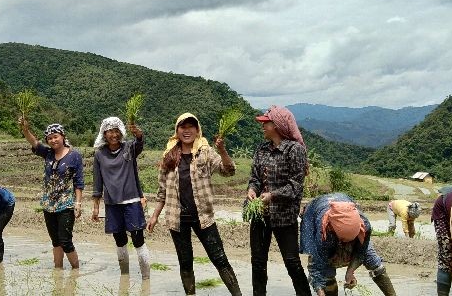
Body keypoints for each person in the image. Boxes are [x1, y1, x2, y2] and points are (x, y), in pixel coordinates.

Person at [147, 113, 242, 295]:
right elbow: (162, 191)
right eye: (183, 127)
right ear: (177, 131)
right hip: (177, 219)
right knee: (185, 262)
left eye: (191, 126)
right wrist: (154, 216)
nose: (187, 130)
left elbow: (228, 171)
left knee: (220, 259)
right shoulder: (169, 155)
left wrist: (222, 150)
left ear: (197, 130)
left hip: (203, 217)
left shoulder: (205, 152)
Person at [247, 105, 312, 296]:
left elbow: (295, 186)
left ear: (276, 125)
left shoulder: (295, 150)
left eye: (265, 123)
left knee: (292, 262)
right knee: (258, 263)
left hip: (284, 218)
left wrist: (272, 195)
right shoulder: (262, 149)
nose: (263, 126)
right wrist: (252, 189)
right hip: (260, 216)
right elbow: (255, 178)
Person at [301, 193, 396, 296]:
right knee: (326, 271)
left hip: (344, 210)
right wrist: (320, 290)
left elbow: (361, 251)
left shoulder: (365, 225)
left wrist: (350, 272)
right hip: (314, 213)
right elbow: (318, 266)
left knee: (371, 258)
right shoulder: (323, 231)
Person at [91, 116, 151, 279]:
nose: (113, 134)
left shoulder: (129, 148)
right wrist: (96, 207)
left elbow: (139, 144)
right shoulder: (99, 154)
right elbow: (97, 182)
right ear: (104, 134)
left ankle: (146, 278)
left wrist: (139, 135)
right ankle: (124, 276)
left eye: (116, 130)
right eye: (110, 131)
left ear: (121, 132)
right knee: (120, 241)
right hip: (112, 203)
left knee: (138, 240)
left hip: (131, 201)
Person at [19, 118, 84, 269]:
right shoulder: (47, 153)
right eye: (50, 138)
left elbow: (78, 182)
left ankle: (76, 271)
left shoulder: (74, 156)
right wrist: (25, 129)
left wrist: (78, 203)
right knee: (55, 241)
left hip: (66, 203)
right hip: (48, 204)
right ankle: (58, 271)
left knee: (66, 240)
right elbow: (34, 143)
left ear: (62, 136)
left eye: (56, 136)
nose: (53, 140)